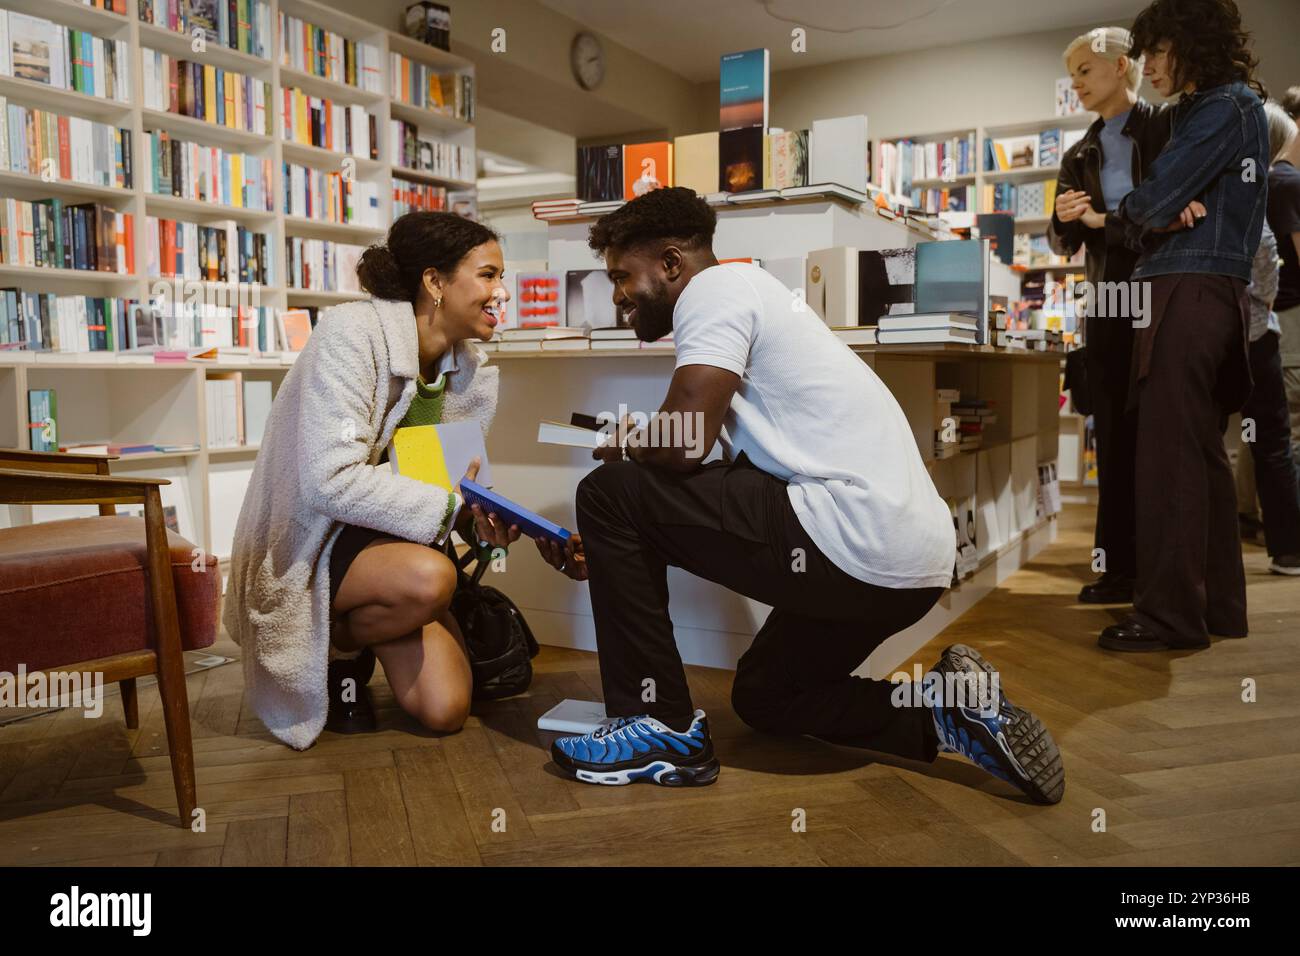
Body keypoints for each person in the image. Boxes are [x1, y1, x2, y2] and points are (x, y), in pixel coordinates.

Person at [532, 187, 1066, 804]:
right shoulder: (761, 297)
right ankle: (943, 713)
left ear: (673, 263)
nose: (619, 294)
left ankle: (660, 728)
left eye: (623, 276)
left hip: (854, 543)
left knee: (609, 493)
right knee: (767, 695)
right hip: (911, 569)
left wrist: (626, 456)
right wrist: (616, 550)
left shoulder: (716, 291)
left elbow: (682, 447)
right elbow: (712, 484)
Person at [223, 212, 517, 749]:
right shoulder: (352, 333)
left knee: (446, 708)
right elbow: (329, 481)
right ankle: (335, 647)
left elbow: (452, 481)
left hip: (393, 544)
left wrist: (483, 519)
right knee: (431, 580)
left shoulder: (468, 369)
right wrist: (450, 506)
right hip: (310, 535)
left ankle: (346, 639)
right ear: (435, 282)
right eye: (489, 275)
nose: (503, 292)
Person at [1097, 0, 1269, 652]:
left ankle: (1169, 617)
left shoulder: (1222, 108)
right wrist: (1153, 210)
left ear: (1190, 43)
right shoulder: (1222, 109)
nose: (1146, 66)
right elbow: (1153, 205)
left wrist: (1150, 211)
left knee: (1169, 456)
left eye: (1155, 49)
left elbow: (1146, 203)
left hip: (1188, 290)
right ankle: (1218, 609)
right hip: (1208, 291)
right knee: (1198, 455)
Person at [1049, 25, 1173, 605]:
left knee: (1164, 431)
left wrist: (1107, 220)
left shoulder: (1169, 128)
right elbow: (1060, 245)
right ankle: (1118, 571)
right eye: (1072, 74)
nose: (1075, 83)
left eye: (1084, 71)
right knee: (1115, 436)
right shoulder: (1079, 153)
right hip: (1109, 299)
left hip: (1168, 290)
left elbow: (1176, 209)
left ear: (1121, 65)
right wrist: (1065, 215)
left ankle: (1167, 573)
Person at [1236, 103, 1300, 575]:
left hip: (1220, 332)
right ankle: (1289, 548)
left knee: (1229, 442)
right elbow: (1266, 273)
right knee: (1275, 441)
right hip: (1259, 333)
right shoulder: (1266, 191)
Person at [1268, 89, 1300, 477]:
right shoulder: (1290, 184)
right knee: (1293, 421)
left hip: (1270, 315)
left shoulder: (1268, 180)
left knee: (1267, 420)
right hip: (1292, 318)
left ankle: (1248, 512)